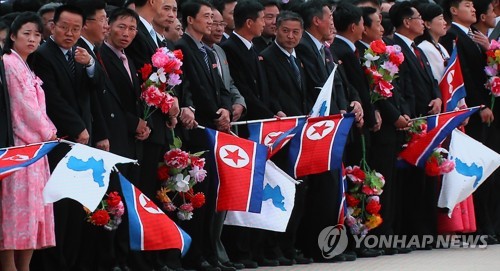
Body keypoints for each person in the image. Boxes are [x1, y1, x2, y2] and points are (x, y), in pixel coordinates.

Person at [0, 11, 57, 271]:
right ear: (12, 37)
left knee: (33, 212)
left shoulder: (26, 65)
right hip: (20, 150)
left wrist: (46, 133)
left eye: (37, 34)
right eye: (26, 34)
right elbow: (22, 108)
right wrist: (48, 130)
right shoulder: (9, 63)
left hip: (34, 149)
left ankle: (24, 267)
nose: (33, 39)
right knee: (15, 212)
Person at [441, 0, 500, 245]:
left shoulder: (473, 35)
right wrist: (481, 105)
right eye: (467, 5)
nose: (473, 9)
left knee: (489, 170)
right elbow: (463, 74)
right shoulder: (453, 35)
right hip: (474, 112)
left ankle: (490, 224)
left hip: (485, 110)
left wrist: (490, 51)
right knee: (477, 170)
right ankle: (481, 227)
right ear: (454, 10)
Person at [390, 1, 441, 247]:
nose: (423, 22)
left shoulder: (417, 49)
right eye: (419, 18)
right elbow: (402, 86)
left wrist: (438, 97)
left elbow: (429, 81)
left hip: (425, 121)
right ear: (407, 22)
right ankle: (409, 233)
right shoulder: (394, 47)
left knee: (424, 179)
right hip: (410, 121)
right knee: (409, 183)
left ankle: (424, 232)